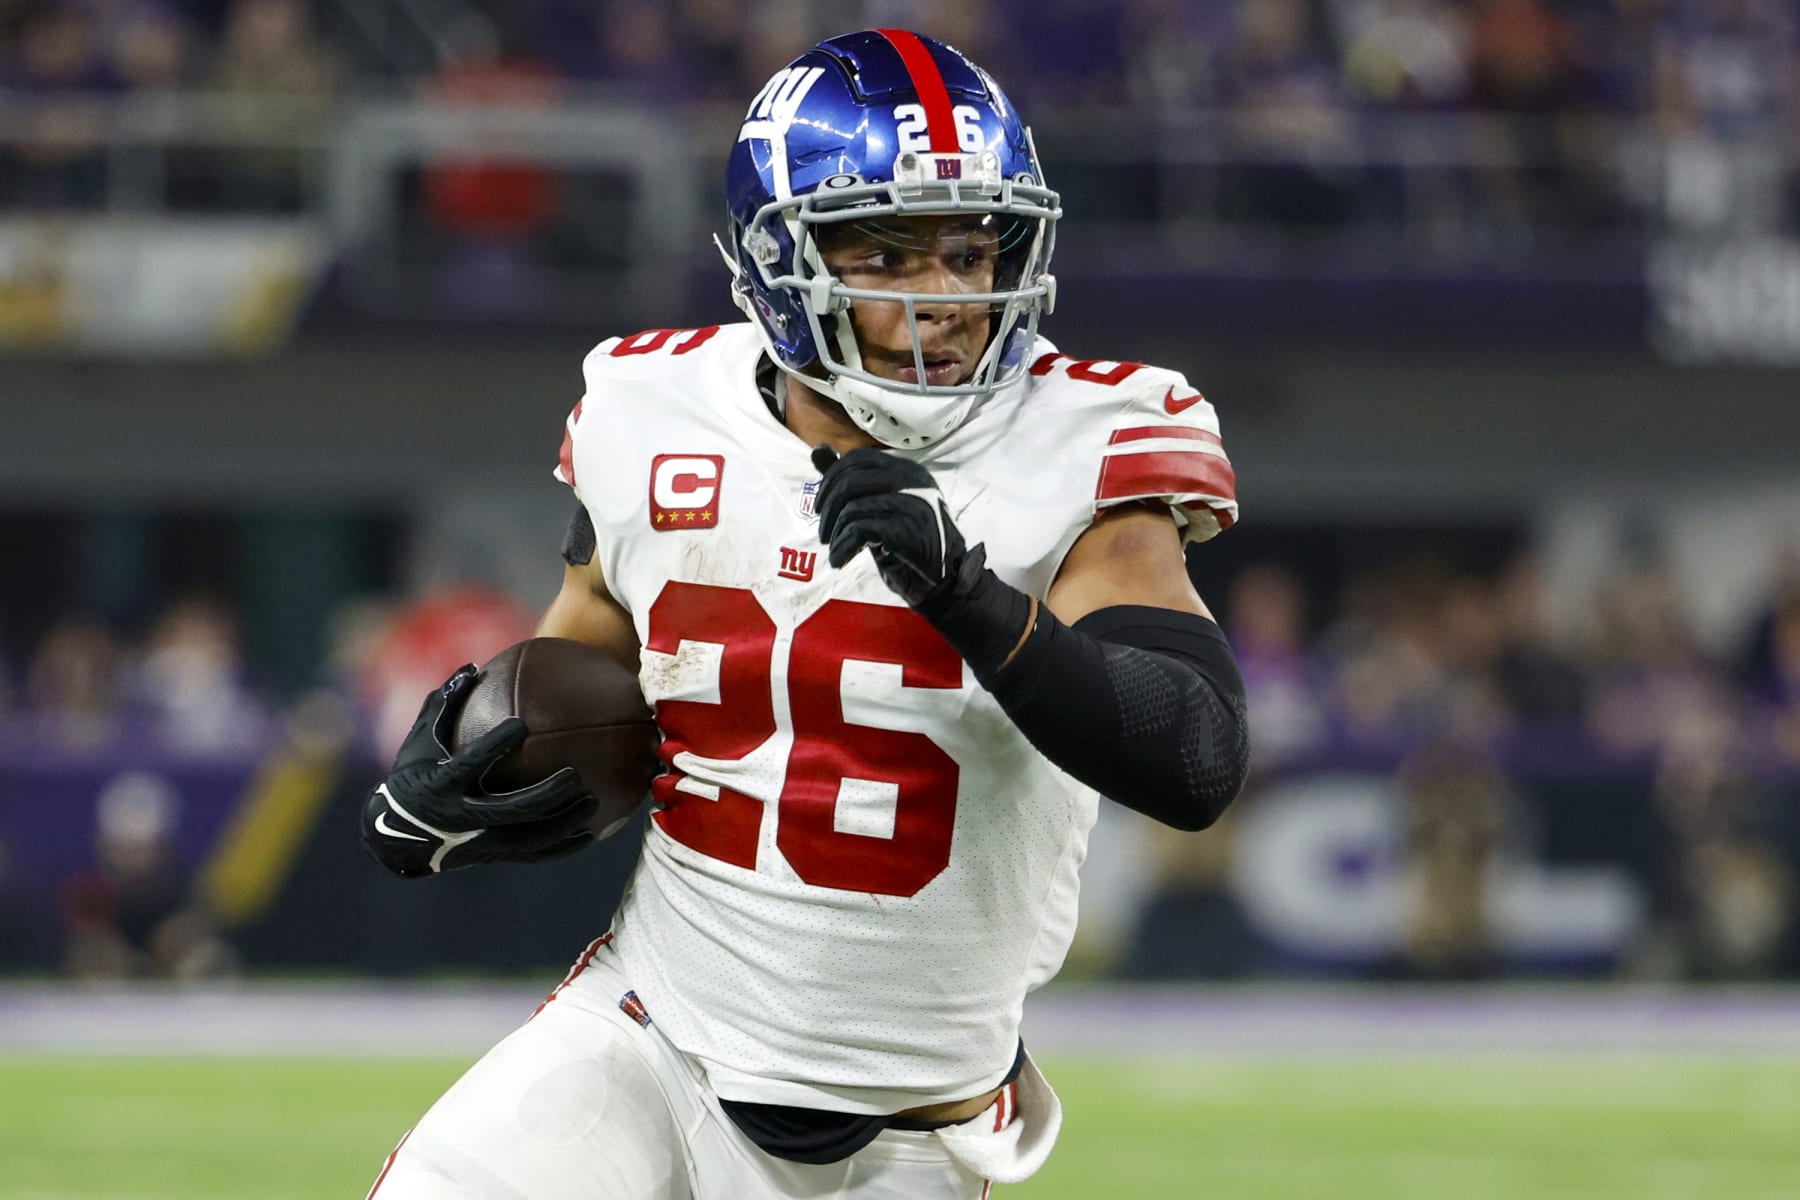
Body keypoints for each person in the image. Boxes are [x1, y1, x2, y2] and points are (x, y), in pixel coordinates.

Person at [361, 29, 1250, 1199]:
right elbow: (587, 662)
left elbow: (1194, 754)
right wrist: (466, 770)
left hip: (905, 1132)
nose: (948, 297)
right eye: (889, 252)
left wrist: (968, 597)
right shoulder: (650, 406)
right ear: (780, 259)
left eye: (973, 247)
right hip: (646, 1033)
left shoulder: (1086, 443)